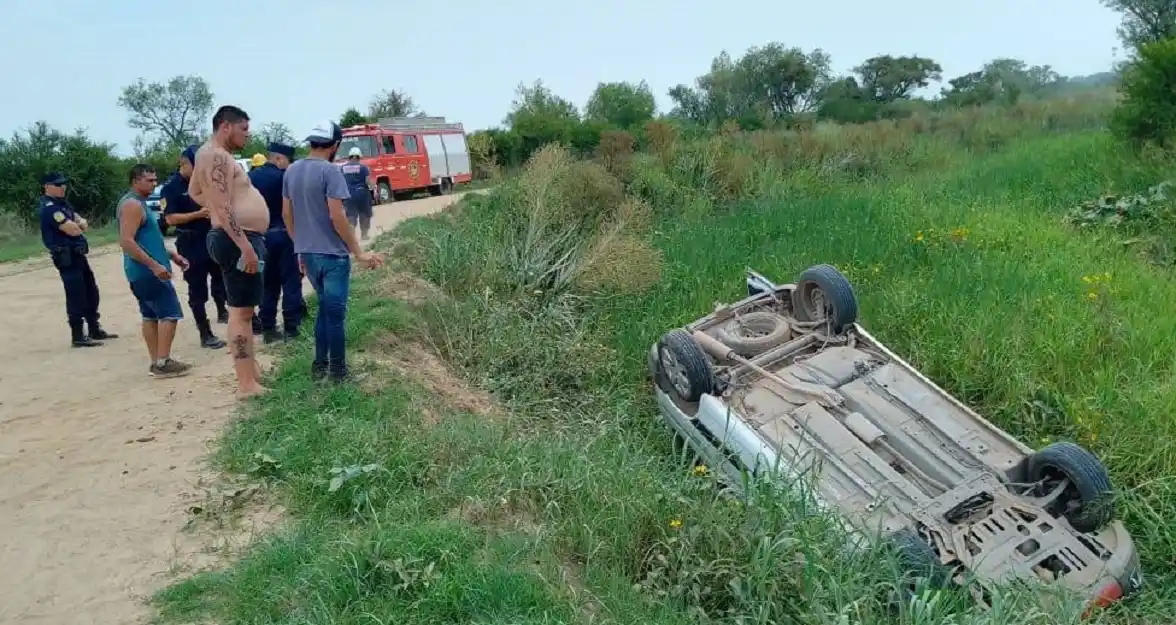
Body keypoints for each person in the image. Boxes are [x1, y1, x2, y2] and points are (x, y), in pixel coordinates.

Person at [282, 120, 384, 382]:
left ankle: (319, 366)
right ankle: (338, 373)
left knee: (325, 310)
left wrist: (300, 249)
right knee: (335, 315)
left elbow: (287, 214)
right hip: (333, 257)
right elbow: (337, 216)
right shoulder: (330, 171)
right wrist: (359, 252)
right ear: (335, 145)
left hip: (309, 255)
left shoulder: (291, 171)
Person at [189, 105, 270, 399]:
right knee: (242, 313)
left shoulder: (207, 154)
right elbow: (222, 204)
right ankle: (246, 384)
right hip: (237, 239)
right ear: (226, 126)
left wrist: (219, 210)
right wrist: (244, 245)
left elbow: (195, 192)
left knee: (244, 308)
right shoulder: (217, 156)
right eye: (244, 129)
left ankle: (251, 373)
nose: (247, 135)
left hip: (233, 235)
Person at [117, 164, 194, 378]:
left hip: (142, 271)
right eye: (149, 180)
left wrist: (172, 255)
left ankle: (156, 361)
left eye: (155, 180)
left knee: (150, 315)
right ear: (135, 180)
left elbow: (149, 240)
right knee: (170, 313)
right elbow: (127, 242)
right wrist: (154, 265)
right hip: (146, 271)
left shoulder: (140, 203)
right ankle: (163, 361)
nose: (154, 184)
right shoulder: (132, 205)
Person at [37, 172, 118, 347]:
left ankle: (94, 328)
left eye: (64, 184)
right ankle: (78, 335)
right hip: (67, 257)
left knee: (91, 291)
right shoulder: (50, 208)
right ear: (47, 187)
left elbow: (82, 222)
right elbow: (73, 229)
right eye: (58, 185)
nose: (63, 187)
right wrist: (78, 224)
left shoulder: (62, 204)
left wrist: (78, 224)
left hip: (78, 254)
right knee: (76, 294)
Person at [162, 145, 229, 349]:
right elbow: (170, 219)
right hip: (190, 242)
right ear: (186, 163)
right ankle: (205, 332)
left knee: (222, 278)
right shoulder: (172, 188)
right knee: (197, 287)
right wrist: (198, 215)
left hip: (212, 238)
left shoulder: (205, 183)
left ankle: (223, 310)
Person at [249, 141, 305, 344]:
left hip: (260, 238)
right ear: (279, 158)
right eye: (288, 161)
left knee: (268, 285)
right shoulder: (285, 178)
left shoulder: (250, 178)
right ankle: (292, 328)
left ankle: (269, 329)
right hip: (284, 234)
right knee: (291, 282)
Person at [340, 146, 374, 240]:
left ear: (349, 157)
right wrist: (373, 188)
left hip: (348, 195)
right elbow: (368, 181)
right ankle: (364, 235)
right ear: (359, 157)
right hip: (362, 194)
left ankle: (352, 238)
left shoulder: (342, 169)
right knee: (365, 214)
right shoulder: (363, 168)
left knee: (351, 216)